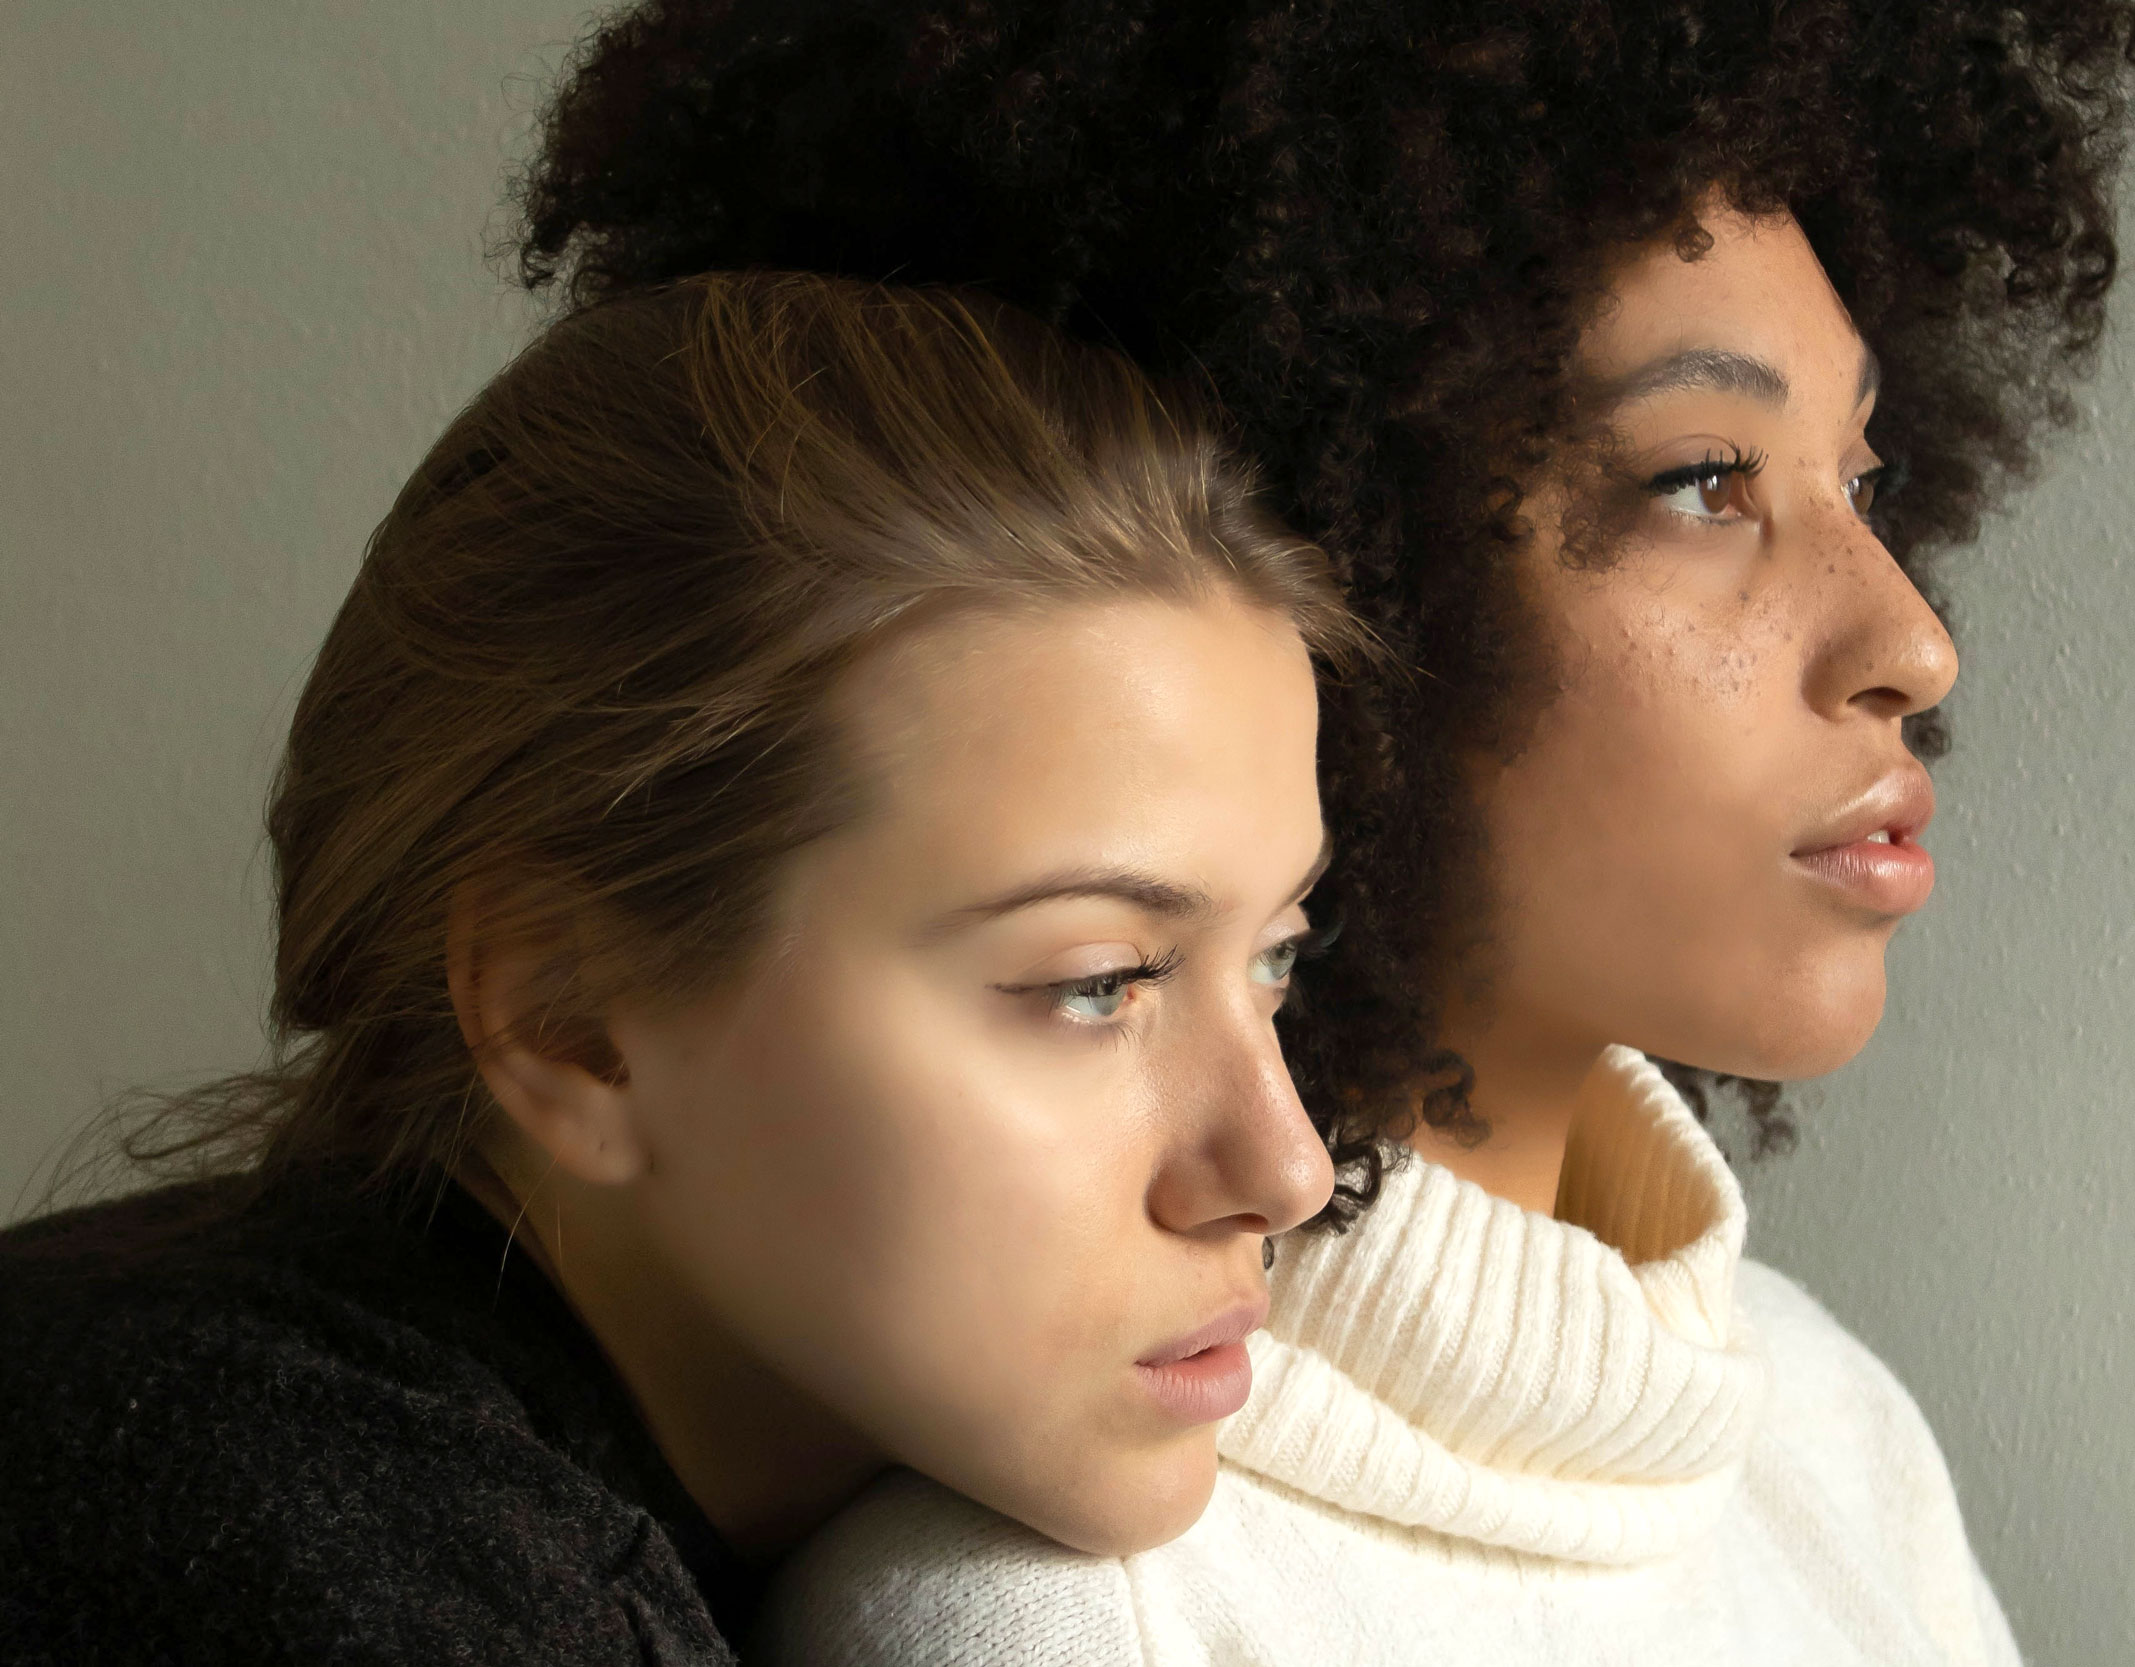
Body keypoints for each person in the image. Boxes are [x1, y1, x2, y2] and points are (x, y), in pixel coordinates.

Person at [511, 3, 2135, 1663]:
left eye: (1867, 474)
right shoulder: (1071, 1612)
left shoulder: (1835, 1430)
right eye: (1706, 479)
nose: (1913, 642)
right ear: (1322, 539)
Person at [0, 271, 1374, 1663]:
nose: (1286, 1168)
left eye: (1274, 958)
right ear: (569, 1022)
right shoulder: (299, 1553)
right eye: (1101, 982)